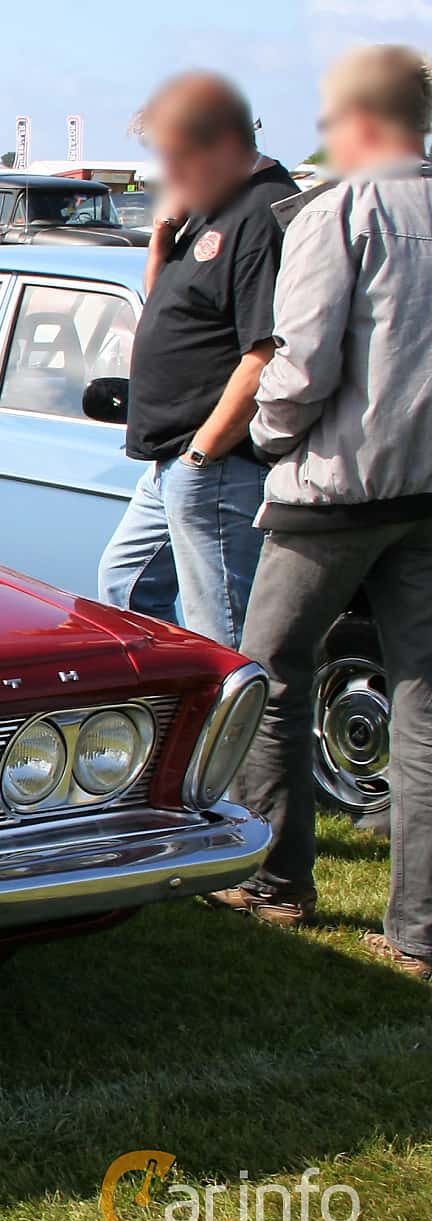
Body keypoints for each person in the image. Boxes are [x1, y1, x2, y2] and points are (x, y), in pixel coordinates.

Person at [211, 45, 432, 968]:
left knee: (268, 673)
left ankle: (276, 881)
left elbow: (301, 362)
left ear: (362, 124)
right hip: (428, 489)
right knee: (423, 705)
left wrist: (268, 435)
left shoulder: (343, 209)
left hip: (336, 488)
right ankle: (418, 931)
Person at [96, 71, 298, 647]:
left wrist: (203, 455)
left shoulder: (262, 215)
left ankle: (236, 736)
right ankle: (161, 725)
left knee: (223, 635)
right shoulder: (211, 209)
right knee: (124, 590)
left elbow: (266, 352)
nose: (169, 173)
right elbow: (162, 304)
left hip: (215, 464)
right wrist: (162, 231)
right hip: (174, 463)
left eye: (177, 157)